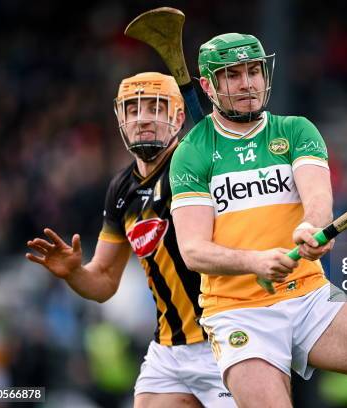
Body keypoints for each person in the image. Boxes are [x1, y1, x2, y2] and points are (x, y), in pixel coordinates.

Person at [169, 33, 347, 407]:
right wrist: (254, 261)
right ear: (207, 85)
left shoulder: (294, 131)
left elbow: (318, 198)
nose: (247, 84)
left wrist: (313, 226)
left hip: (311, 298)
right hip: (238, 313)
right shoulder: (192, 152)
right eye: (232, 75)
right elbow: (193, 251)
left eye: (253, 71)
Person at [26, 72, 236, 408]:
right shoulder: (121, 189)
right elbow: (105, 281)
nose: (143, 119)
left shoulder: (199, 162)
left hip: (224, 339)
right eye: (133, 110)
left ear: (179, 117)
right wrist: (73, 273)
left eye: (156, 108)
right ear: (120, 119)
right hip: (169, 349)